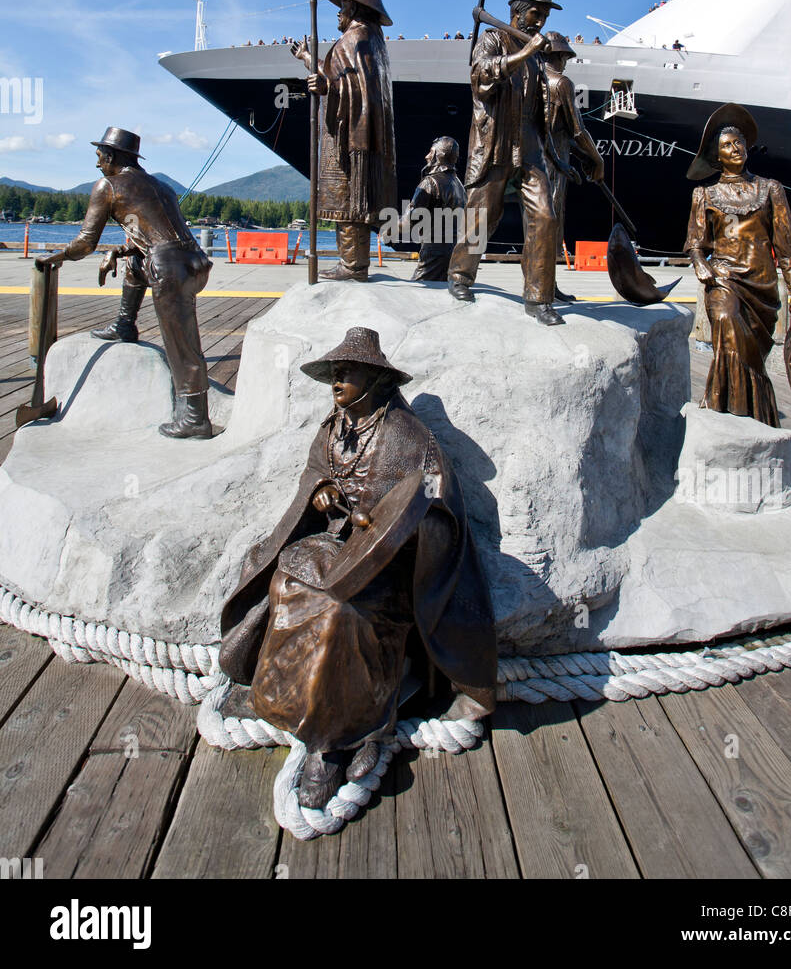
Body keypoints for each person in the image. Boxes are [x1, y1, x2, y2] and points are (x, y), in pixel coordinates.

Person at [218, 326, 496, 810]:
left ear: (375, 379)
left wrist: (392, 526)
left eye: (347, 372)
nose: (337, 380)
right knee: (287, 580)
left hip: (391, 566)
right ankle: (278, 697)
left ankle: (338, 737)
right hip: (331, 548)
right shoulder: (331, 431)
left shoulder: (409, 439)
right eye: (334, 372)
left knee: (339, 611)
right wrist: (320, 493)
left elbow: (438, 509)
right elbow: (311, 484)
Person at [36, 127, 213, 438]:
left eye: (100, 157)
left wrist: (58, 257)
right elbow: (157, 233)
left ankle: (195, 419)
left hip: (169, 268)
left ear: (112, 156)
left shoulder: (109, 186)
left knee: (182, 346)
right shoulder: (161, 186)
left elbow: (86, 242)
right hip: (193, 262)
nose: (97, 164)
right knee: (134, 263)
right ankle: (124, 324)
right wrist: (119, 250)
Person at [447, 0, 564, 325]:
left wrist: (554, 152)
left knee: (545, 215)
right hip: (495, 142)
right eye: (535, 13)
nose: (541, 21)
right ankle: (460, 275)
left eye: (544, 15)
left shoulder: (538, 59)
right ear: (516, 11)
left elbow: (541, 107)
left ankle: (538, 298)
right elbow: (479, 74)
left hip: (528, 145)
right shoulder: (494, 39)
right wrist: (524, 52)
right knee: (483, 215)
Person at [685, 104, 791, 428]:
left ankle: (750, 415)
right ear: (716, 156)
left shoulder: (770, 189)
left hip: (762, 283)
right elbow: (695, 243)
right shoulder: (705, 194)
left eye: (738, 142)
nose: (734, 149)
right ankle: (729, 413)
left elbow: (786, 244)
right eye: (726, 145)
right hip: (724, 279)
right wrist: (700, 264)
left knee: (753, 355)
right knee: (725, 328)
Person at [292, 0, 397, 281]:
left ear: (354, 9)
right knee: (348, 200)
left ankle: (353, 266)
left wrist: (324, 86)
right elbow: (348, 78)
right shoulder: (371, 39)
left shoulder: (355, 38)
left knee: (349, 201)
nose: (338, 12)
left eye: (342, 7)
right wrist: (311, 60)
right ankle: (353, 264)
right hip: (358, 134)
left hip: (351, 137)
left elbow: (351, 86)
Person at [540, 34, 604, 302]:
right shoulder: (561, 83)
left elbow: (560, 131)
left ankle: (545, 286)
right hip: (556, 166)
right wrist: (597, 159)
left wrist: (581, 155)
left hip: (537, 158)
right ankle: (544, 289)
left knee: (537, 225)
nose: (565, 62)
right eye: (564, 57)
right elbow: (577, 130)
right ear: (559, 56)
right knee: (551, 225)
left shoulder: (533, 82)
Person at [409, 136, 466, 282]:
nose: (426, 156)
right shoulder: (458, 184)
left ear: (438, 155)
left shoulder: (429, 182)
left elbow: (412, 217)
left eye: (430, 152)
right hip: (453, 251)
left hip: (434, 251)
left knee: (417, 290)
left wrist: (390, 230)